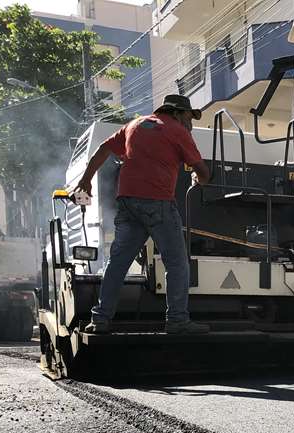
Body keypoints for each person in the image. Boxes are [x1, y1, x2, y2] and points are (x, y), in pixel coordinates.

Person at [72, 94, 212, 334]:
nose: (191, 122)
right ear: (177, 112)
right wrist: (198, 179)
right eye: (190, 116)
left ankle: (101, 320)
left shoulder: (134, 125)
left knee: (117, 263)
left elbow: (102, 150)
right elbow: (204, 173)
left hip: (127, 203)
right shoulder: (178, 131)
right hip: (158, 203)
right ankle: (178, 320)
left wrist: (86, 181)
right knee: (177, 263)